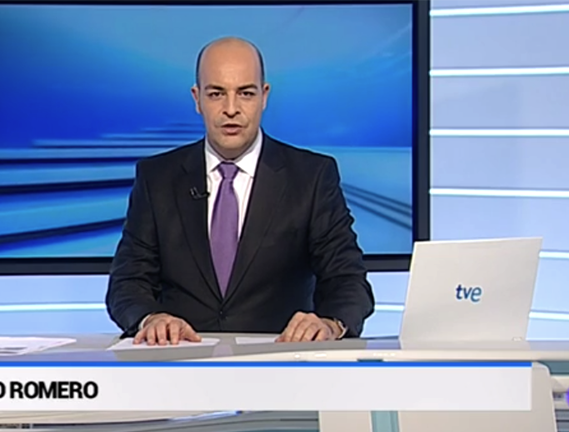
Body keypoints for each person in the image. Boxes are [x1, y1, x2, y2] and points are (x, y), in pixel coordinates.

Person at [105, 37, 374, 345]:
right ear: (197, 98)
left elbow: (347, 279)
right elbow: (128, 283)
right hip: (181, 360)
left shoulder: (311, 177)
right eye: (216, 94)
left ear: (264, 96)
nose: (231, 109)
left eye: (245, 93)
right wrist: (151, 318)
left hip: (280, 361)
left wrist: (329, 324)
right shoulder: (157, 178)